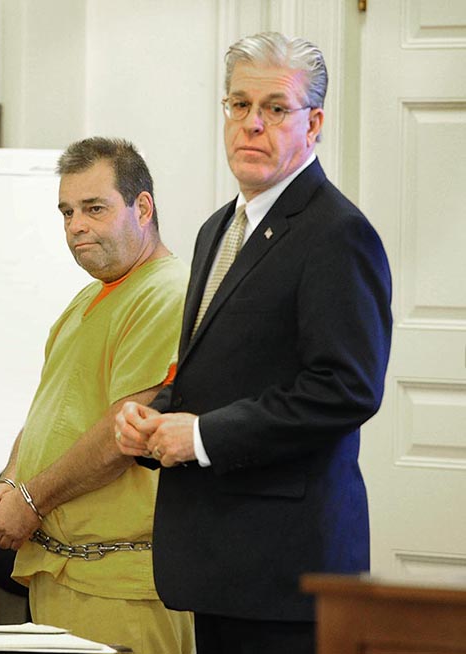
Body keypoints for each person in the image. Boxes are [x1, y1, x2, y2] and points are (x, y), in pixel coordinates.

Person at [114, 32, 393, 654]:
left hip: (286, 569)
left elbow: (345, 389)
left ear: (313, 122)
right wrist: (154, 420)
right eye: (238, 105)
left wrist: (204, 437)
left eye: (274, 108)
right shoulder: (220, 227)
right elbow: (212, 369)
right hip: (215, 562)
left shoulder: (338, 234)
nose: (251, 125)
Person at [0, 137, 194, 654]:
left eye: (94, 208)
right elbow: (51, 415)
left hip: (122, 590)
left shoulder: (167, 291)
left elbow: (125, 433)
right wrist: (8, 483)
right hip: (61, 575)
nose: (76, 226)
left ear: (143, 207)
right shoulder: (87, 299)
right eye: (67, 211)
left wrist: (30, 500)